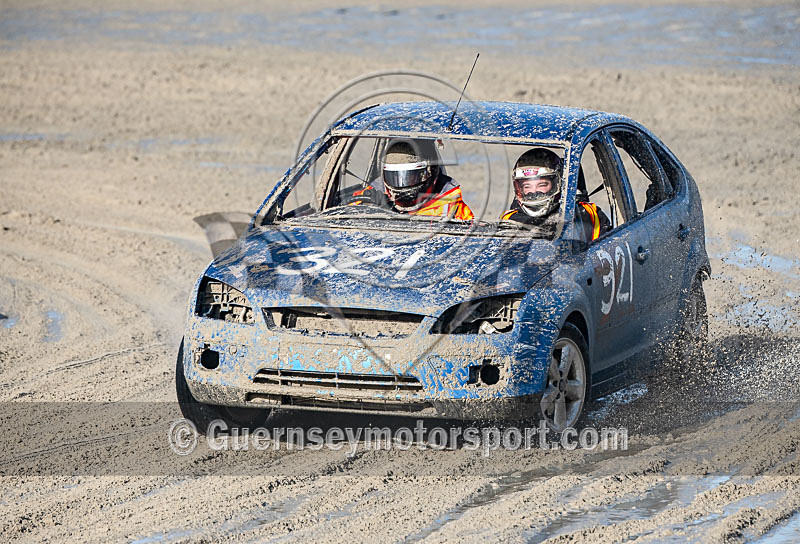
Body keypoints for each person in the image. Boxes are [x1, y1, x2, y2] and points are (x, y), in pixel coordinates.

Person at [501, 148, 609, 241]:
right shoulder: (509, 219)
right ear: (519, 189)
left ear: (557, 184)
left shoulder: (587, 214)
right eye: (527, 187)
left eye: (542, 185)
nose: (534, 193)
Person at [349, 140, 474, 220]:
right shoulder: (367, 199)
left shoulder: (452, 209)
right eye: (395, 177)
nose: (402, 184)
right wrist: (370, 211)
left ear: (430, 172)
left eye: (409, 177)